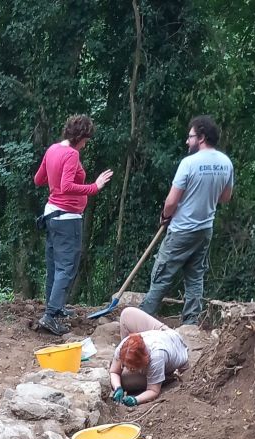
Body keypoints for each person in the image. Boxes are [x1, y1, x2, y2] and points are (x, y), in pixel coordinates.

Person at [141, 115, 234, 325]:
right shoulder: (226, 163)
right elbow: (226, 197)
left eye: (190, 136)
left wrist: (165, 216)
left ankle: (143, 317)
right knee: (195, 276)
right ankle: (191, 323)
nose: (187, 141)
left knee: (162, 274)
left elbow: (172, 201)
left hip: (182, 230)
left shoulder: (188, 163)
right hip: (204, 230)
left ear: (201, 137)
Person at [33, 114, 113, 336]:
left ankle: (55, 308)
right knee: (66, 268)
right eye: (86, 139)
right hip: (67, 218)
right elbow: (67, 186)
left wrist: (55, 178)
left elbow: (39, 180)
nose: (86, 144)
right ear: (80, 137)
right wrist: (94, 186)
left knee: (54, 266)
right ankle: (50, 316)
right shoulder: (70, 154)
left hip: (51, 215)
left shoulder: (53, 150)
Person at [109, 307, 189, 407]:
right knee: (127, 313)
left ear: (144, 362)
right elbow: (114, 371)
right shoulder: (124, 345)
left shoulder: (156, 357)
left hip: (178, 354)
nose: (127, 369)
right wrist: (118, 387)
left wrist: (135, 400)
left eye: (132, 368)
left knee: (125, 381)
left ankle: (168, 377)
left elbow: (153, 390)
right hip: (165, 334)